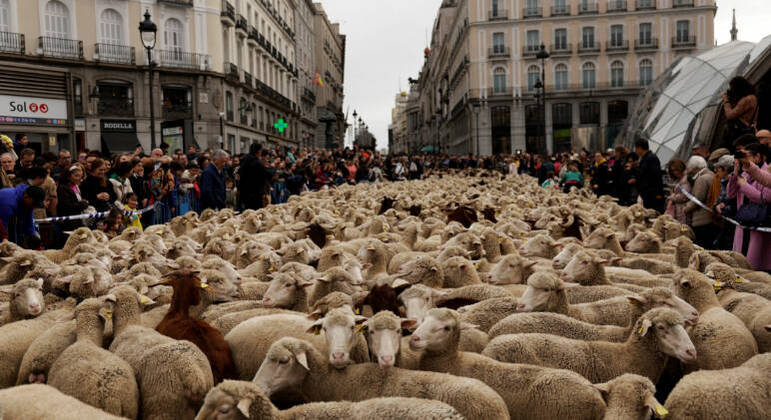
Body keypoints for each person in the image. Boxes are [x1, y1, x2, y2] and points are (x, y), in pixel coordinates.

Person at [727, 143, 771, 271]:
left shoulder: (765, 173)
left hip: (758, 224)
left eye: (747, 155)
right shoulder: (745, 175)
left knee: (754, 265)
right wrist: (735, 173)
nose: (743, 159)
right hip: (743, 223)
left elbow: (765, 199)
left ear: (758, 157)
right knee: (739, 262)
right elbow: (731, 194)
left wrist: (745, 187)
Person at [683, 156, 717, 248]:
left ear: (696, 168)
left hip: (702, 219)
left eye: (691, 169)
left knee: (701, 246)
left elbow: (697, 199)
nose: (690, 171)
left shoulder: (702, 179)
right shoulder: (712, 175)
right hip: (711, 217)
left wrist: (686, 208)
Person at [722, 76, 758, 148]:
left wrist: (726, 101)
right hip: (748, 128)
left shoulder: (746, 100)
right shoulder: (753, 97)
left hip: (739, 131)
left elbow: (730, 115)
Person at [710, 155, 737, 250]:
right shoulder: (724, 182)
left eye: (718, 169)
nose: (716, 172)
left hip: (732, 225)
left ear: (724, 169)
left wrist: (722, 208)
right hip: (725, 223)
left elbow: (733, 202)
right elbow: (719, 201)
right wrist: (716, 206)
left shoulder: (733, 182)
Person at [631, 138, 665, 212]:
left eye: (636, 148)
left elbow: (656, 176)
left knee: (653, 213)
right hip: (646, 193)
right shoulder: (645, 158)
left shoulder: (651, 158)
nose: (635, 151)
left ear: (640, 148)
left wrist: (658, 194)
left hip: (652, 194)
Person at [238, 144, 274, 210]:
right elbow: (268, 174)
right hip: (255, 193)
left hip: (244, 193)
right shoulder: (256, 162)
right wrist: (272, 167)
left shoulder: (244, 160)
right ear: (258, 151)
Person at [56, 165, 90, 233]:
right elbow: (67, 206)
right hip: (69, 223)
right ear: (68, 176)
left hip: (77, 220)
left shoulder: (76, 186)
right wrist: (83, 204)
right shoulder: (62, 188)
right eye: (76, 176)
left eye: (81, 176)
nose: (80, 178)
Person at [664, 158, 690, 225]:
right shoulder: (678, 179)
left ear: (681, 168)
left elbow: (684, 196)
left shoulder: (685, 179)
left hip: (683, 210)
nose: (675, 172)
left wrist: (672, 197)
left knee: (682, 229)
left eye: (676, 170)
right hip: (678, 210)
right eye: (673, 170)